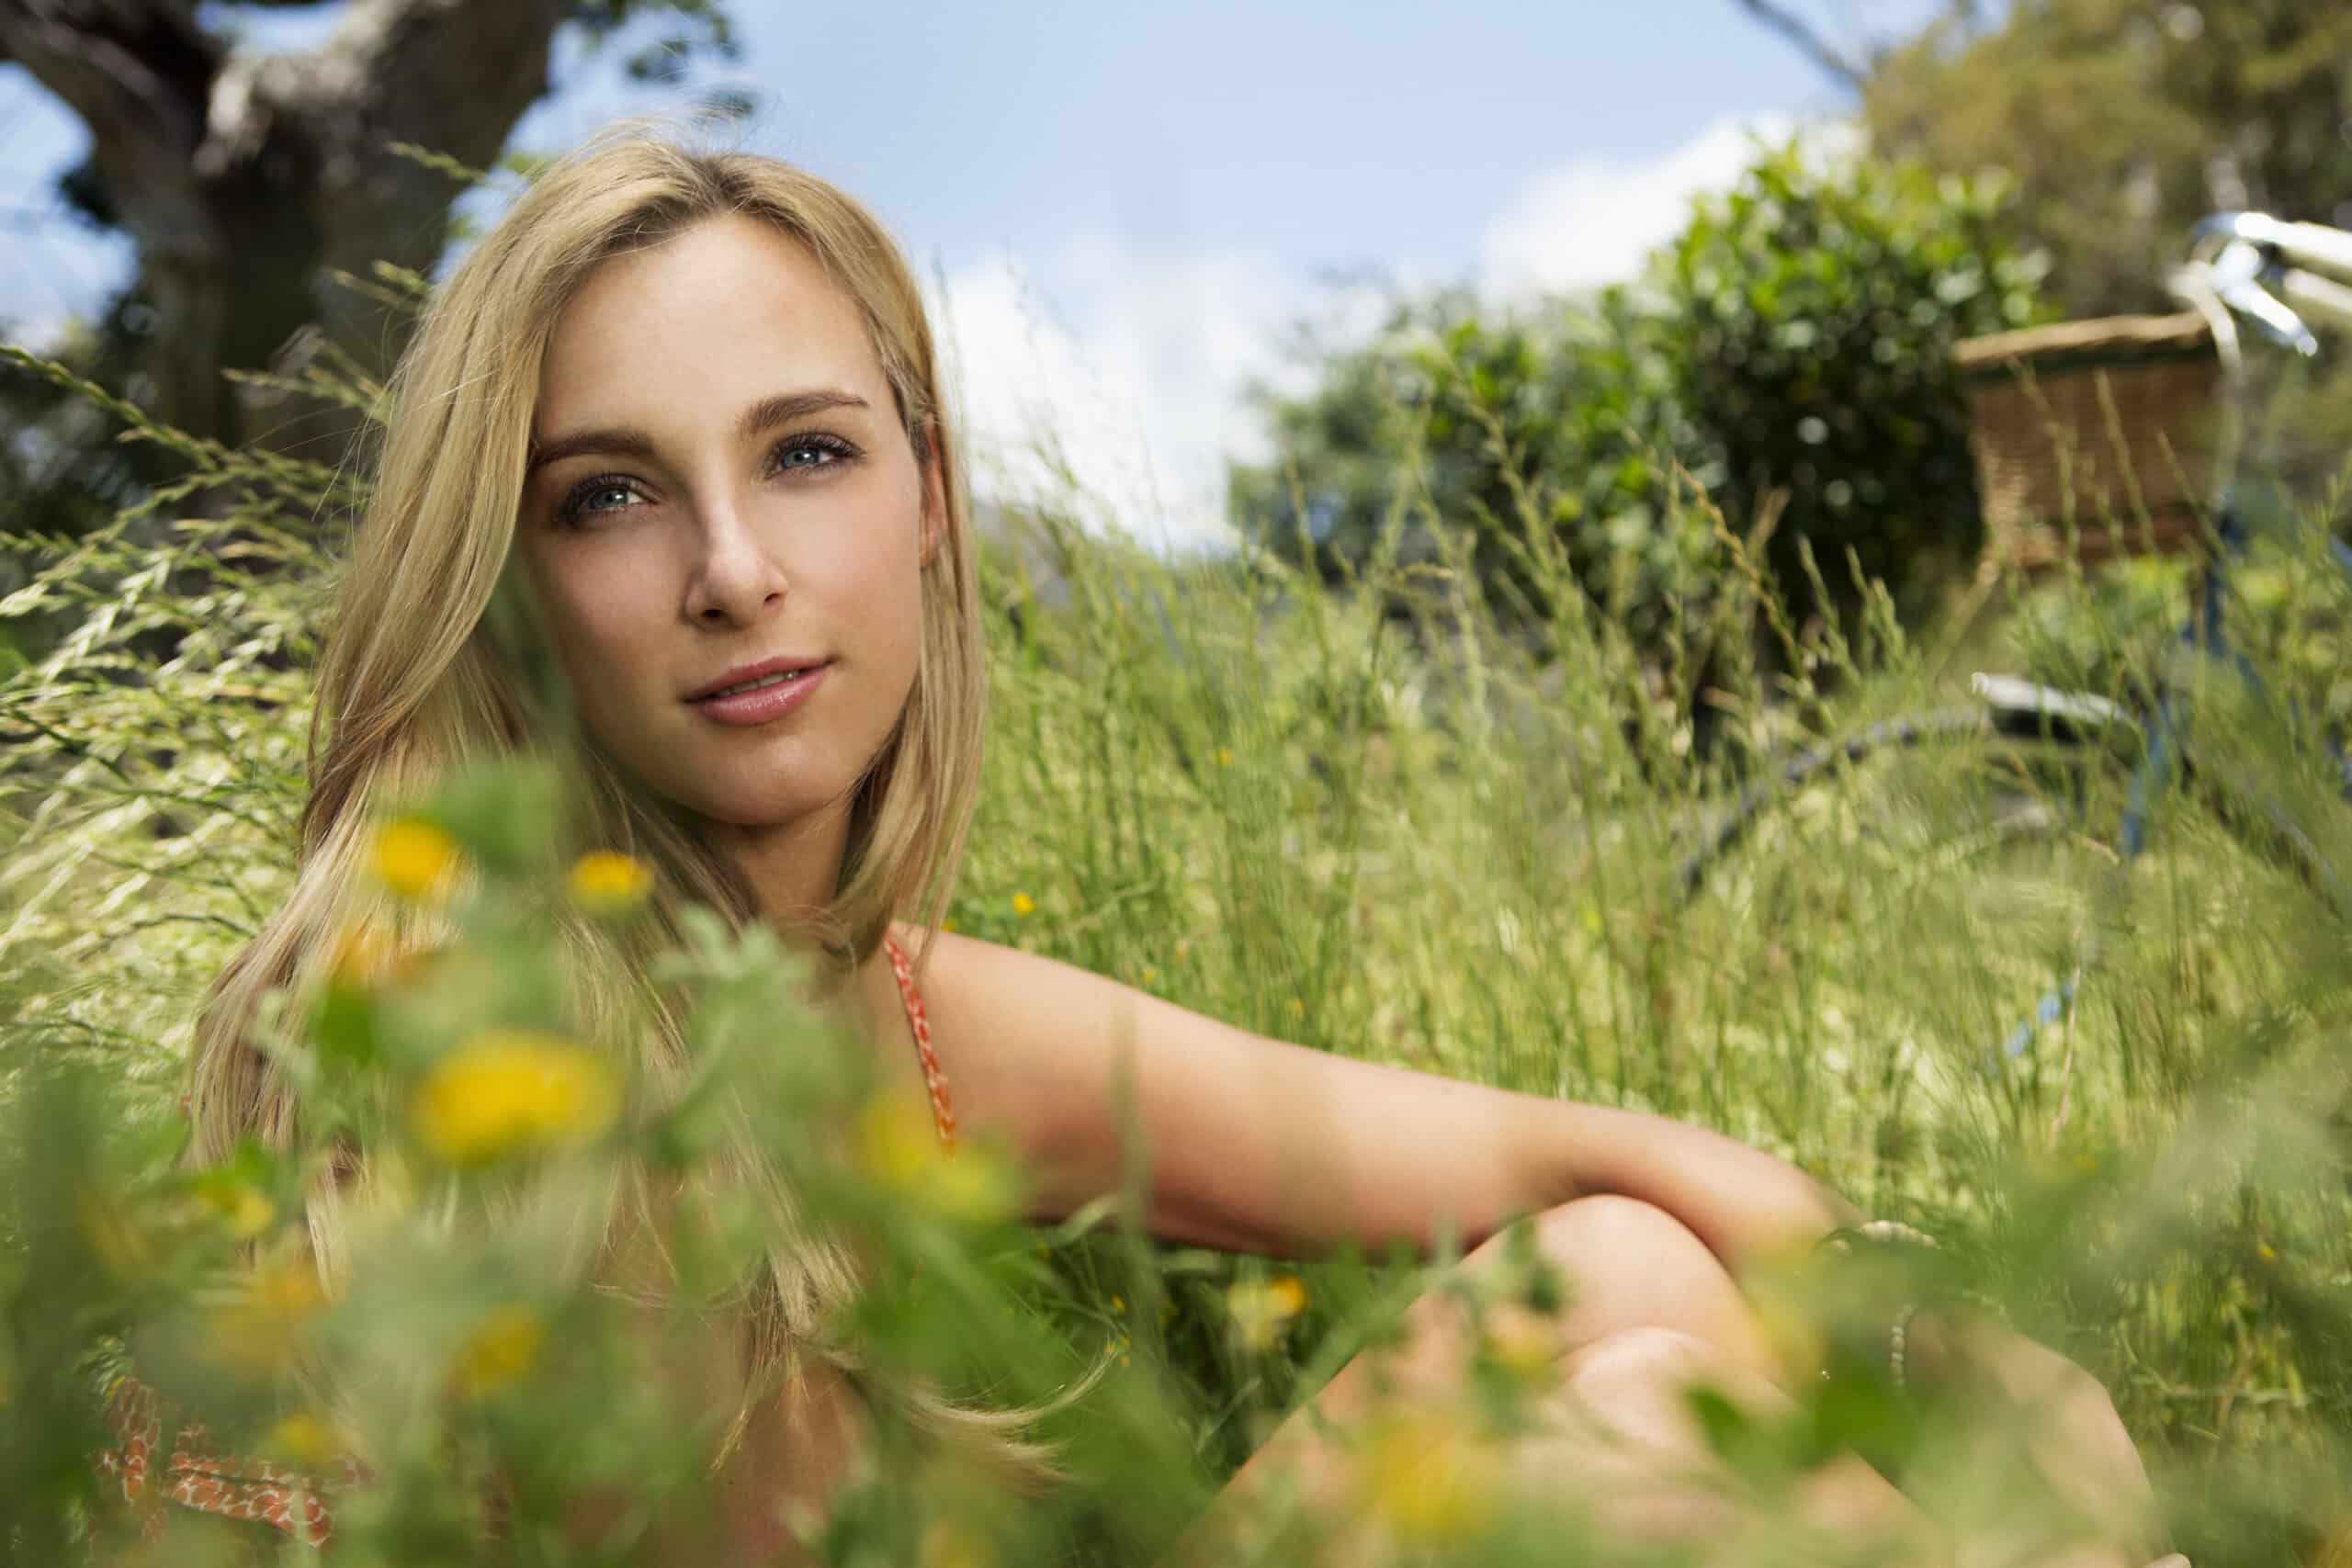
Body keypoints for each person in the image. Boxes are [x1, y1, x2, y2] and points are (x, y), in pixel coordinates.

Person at [94, 121, 2176, 1566]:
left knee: (1618, 1278)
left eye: (804, 454)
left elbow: (1590, 1162)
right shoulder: (423, 1014)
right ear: (503, 576)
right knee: (1638, 1452)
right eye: (608, 495)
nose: (734, 569)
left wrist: (1930, 1330)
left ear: (924, 502)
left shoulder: (885, 1016)